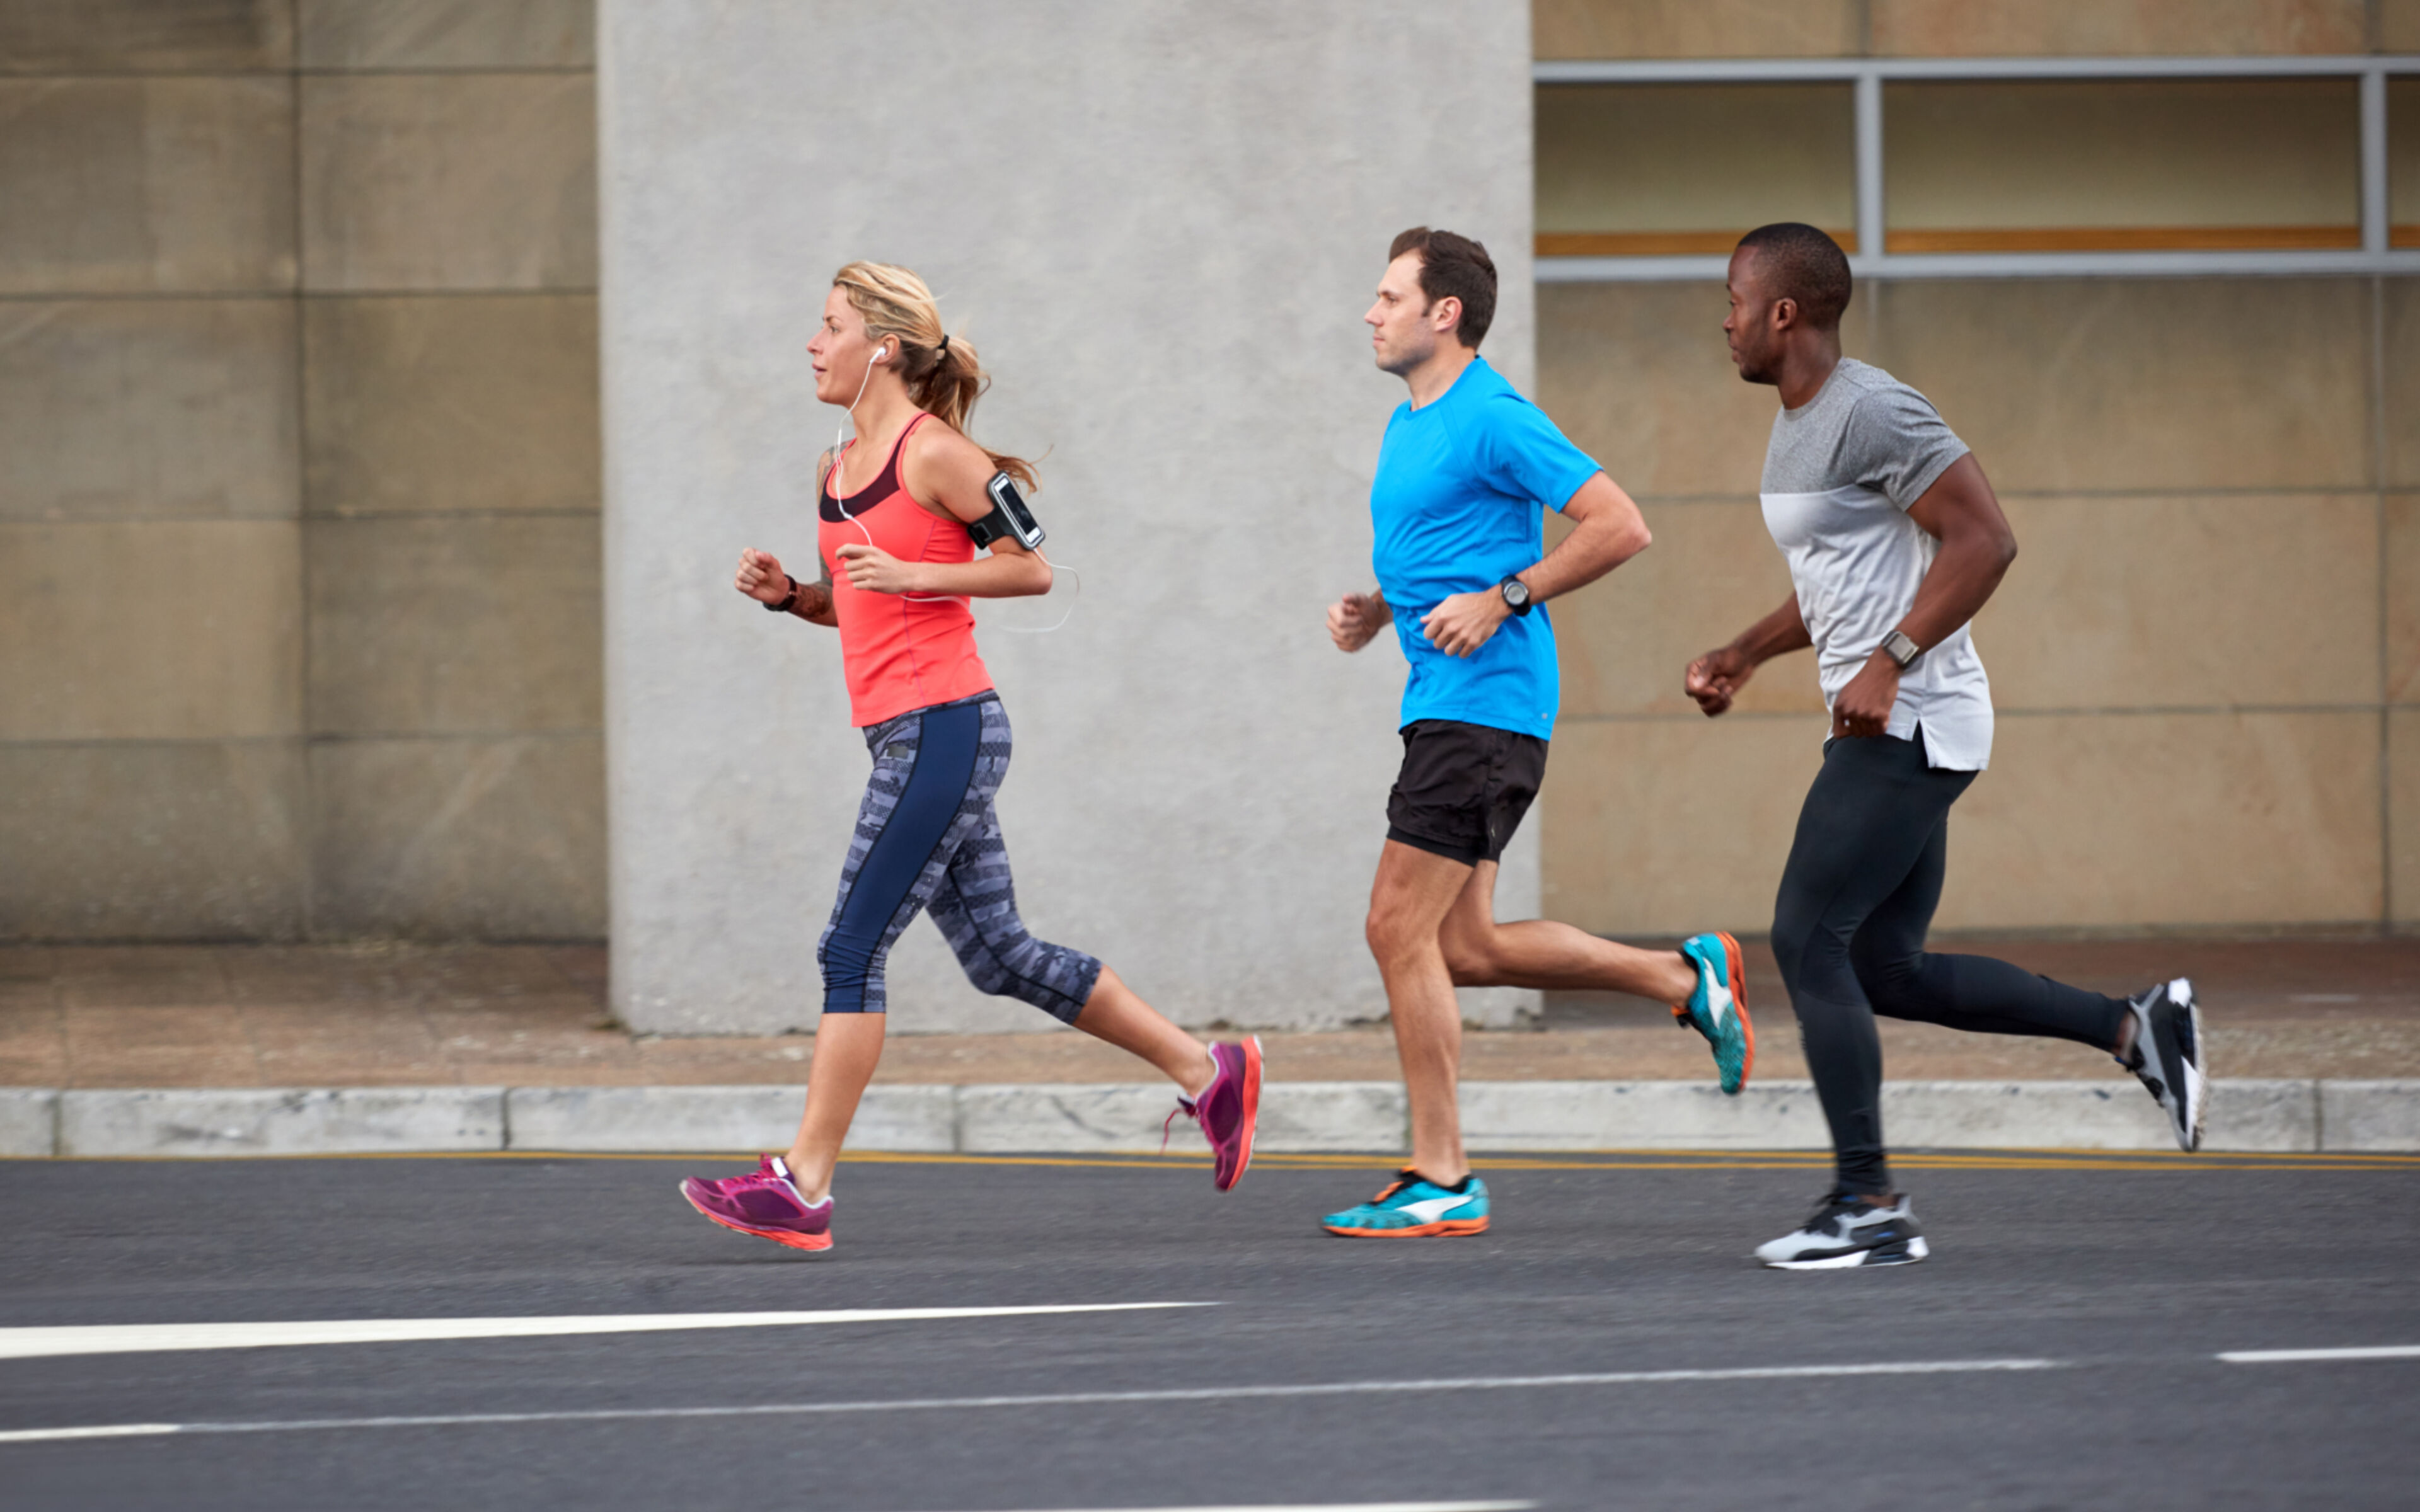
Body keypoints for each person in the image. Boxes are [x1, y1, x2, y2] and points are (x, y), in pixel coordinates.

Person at [679, 261, 1261, 1252]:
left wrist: (915, 568)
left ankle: (804, 1185)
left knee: (849, 950)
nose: (812, 345)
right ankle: (1211, 1074)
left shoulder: (935, 453)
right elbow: (851, 604)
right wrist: (789, 596)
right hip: (905, 735)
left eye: (829, 328)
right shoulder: (833, 469)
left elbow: (1033, 567)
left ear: (884, 351)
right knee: (999, 956)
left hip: (944, 732)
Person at [1687, 223, 2207, 1270]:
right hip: (1895, 721)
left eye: (1735, 299)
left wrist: (1892, 655)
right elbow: (1837, 572)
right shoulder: (1800, 425)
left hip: (1909, 724)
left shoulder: (1874, 408)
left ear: (1784, 313)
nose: (1725, 319)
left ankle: (1869, 1205)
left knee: (1804, 943)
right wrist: (1747, 650)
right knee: (1886, 968)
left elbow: (1986, 539)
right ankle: (2134, 1027)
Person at [1317, 227, 1754, 1239]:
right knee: (1461, 947)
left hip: (1486, 706)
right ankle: (1683, 979)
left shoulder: (1494, 415)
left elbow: (1620, 523)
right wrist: (1380, 608)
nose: (1372, 313)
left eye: (1389, 297)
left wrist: (1506, 596)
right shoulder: (1409, 422)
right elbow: (1439, 545)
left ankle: (1443, 1175)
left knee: (1395, 927)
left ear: (1446, 315)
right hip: (1446, 704)